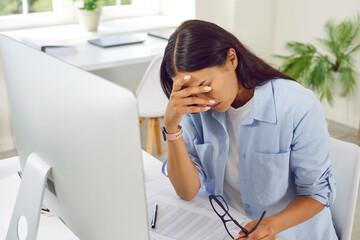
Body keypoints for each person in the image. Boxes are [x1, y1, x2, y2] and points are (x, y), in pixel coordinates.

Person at [159, 19, 338, 240]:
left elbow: (317, 193)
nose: (201, 98)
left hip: (291, 233)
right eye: (189, 91)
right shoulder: (196, 109)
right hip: (230, 227)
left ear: (231, 59)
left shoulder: (296, 105)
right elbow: (187, 191)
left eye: (205, 85)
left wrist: (270, 227)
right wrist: (171, 126)